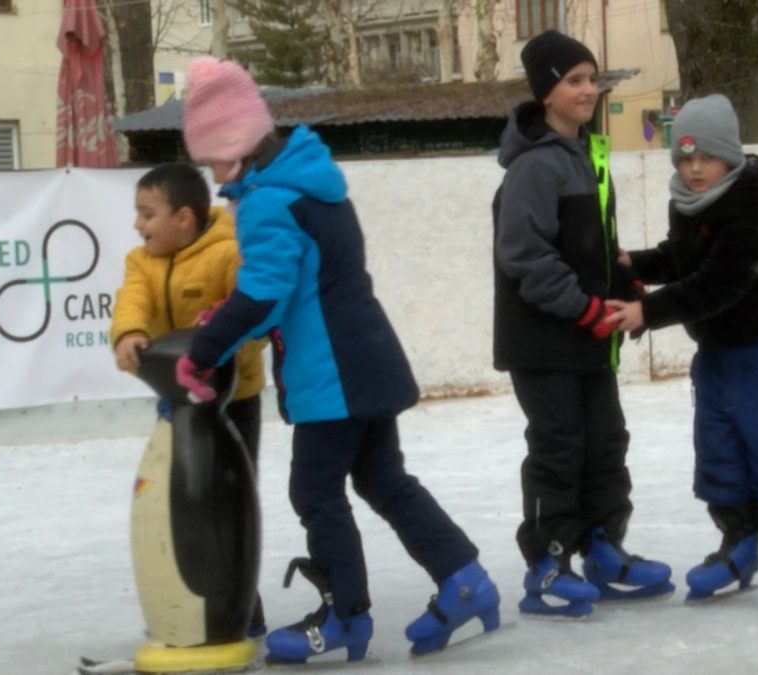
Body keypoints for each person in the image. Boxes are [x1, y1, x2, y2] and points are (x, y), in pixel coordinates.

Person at [175, 55, 499, 663]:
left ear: (236, 144)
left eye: (213, 159)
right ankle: (465, 580)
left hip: (332, 376)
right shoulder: (312, 183)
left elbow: (267, 293)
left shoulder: (268, 202)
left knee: (315, 489)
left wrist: (206, 348)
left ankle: (345, 616)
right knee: (384, 480)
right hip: (368, 359)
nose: (214, 178)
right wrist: (229, 313)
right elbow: (295, 286)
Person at [606, 94, 758, 602]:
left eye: (706, 157)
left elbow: (719, 283)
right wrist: (635, 263)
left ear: (728, 154)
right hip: (715, 351)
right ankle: (739, 540)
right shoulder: (688, 201)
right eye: (684, 158)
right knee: (718, 447)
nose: (694, 168)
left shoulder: (751, 206)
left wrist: (648, 311)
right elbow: (684, 259)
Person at [493, 29, 673, 618]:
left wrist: (625, 287)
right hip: (544, 339)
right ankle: (548, 564)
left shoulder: (587, 156)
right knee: (559, 447)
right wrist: (587, 308)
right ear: (545, 91)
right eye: (574, 80)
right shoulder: (534, 167)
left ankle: (602, 549)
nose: (588, 90)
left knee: (605, 443)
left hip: (589, 337)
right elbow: (525, 257)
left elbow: (596, 246)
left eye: (592, 79)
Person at [110, 161, 268, 636]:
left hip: (233, 401)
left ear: (183, 218)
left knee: (229, 500)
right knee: (180, 497)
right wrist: (129, 332)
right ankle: (188, 601)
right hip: (177, 403)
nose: (138, 224)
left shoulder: (227, 254)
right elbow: (132, 299)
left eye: (147, 214)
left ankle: (242, 606)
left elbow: (255, 316)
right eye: (138, 213)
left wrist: (227, 342)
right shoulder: (142, 261)